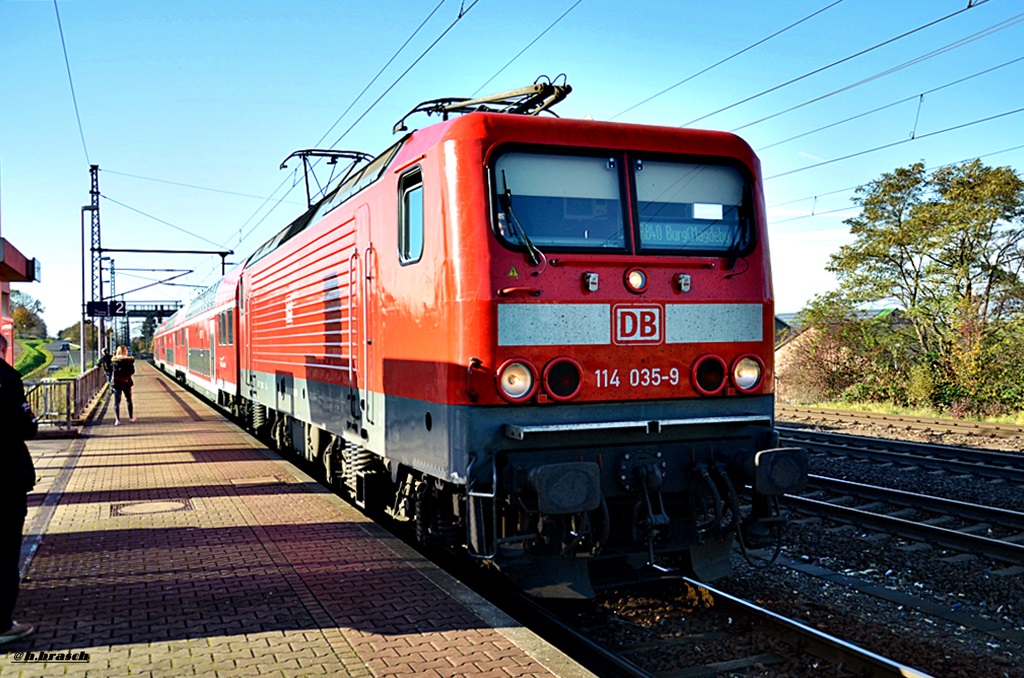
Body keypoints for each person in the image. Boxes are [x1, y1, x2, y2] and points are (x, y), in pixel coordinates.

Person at [0, 334, 37, 644]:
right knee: (4, 553)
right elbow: (27, 426)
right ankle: (2, 625)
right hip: (4, 478)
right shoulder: (7, 378)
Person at [111, 345, 136, 425]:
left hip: (117, 383)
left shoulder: (114, 361)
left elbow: (111, 371)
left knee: (117, 402)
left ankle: (117, 420)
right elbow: (132, 371)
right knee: (129, 400)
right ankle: (131, 417)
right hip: (126, 382)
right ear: (126, 352)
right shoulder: (129, 361)